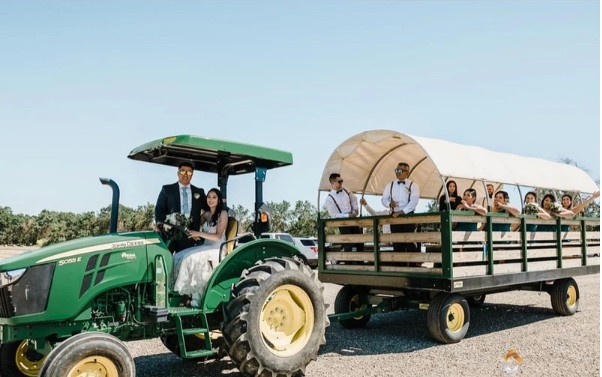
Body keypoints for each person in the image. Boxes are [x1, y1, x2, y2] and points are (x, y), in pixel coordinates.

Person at [172, 188, 228, 307]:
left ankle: (196, 297)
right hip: (206, 245)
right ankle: (185, 294)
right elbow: (195, 223)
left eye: (214, 197)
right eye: (208, 197)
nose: (211, 199)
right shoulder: (207, 214)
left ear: (218, 200)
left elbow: (218, 236)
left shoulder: (222, 214)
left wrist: (199, 234)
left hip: (217, 248)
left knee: (190, 258)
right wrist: (182, 223)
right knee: (178, 255)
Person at [155, 162, 207, 253]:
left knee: (185, 263)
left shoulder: (199, 192)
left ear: (192, 175)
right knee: (167, 261)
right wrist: (160, 225)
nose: (186, 174)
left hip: (190, 235)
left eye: (189, 172)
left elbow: (210, 207)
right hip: (170, 235)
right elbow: (159, 209)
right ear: (178, 173)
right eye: (183, 171)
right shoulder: (167, 189)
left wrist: (224, 211)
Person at [381, 162, 420, 253]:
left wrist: (402, 211)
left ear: (407, 172)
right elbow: (383, 199)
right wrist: (389, 204)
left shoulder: (413, 185)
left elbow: (414, 202)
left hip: (408, 216)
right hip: (394, 217)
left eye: (400, 170)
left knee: (410, 242)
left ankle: (412, 265)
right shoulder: (389, 185)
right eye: (396, 170)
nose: (397, 172)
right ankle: (400, 265)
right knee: (397, 243)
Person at [324, 173, 364, 251]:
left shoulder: (346, 190)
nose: (341, 183)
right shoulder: (329, 199)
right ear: (332, 183)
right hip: (342, 223)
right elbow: (334, 215)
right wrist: (347, 216)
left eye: (342, 181)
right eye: (339, 181)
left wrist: (355, 209)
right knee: (348, 243)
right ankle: (348, 261)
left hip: (353, 220)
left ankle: (361, 261)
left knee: (360, 241)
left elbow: (354, 199)